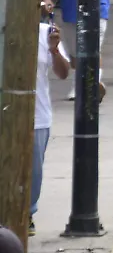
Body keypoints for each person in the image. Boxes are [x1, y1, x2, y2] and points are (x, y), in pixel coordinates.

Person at [30, 21, 69, 235]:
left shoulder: (46, 31)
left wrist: (54, 49)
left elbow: (63, 73)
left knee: (34, 170)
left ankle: (27, 213)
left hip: (38, 115)